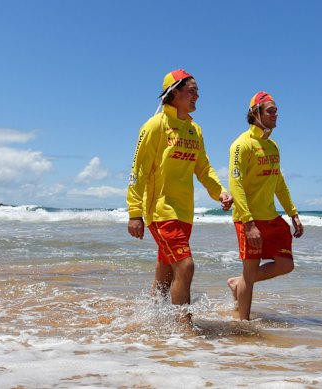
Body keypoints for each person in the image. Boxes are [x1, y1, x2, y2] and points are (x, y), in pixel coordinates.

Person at [127, 69, 233, 313]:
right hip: (161, 210)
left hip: (184, 211)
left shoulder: (195, 130)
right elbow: (137, 171)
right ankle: (182, 329)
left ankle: (152, 320)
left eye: (198, 91)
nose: (197, 96)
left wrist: (220, 192)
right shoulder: (154, 126)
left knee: (166, 272)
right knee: (185, 266)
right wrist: (135, 212)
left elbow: (203, 168)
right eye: (192, 90)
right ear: (174, 93)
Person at [227, 91, 304, 321]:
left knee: (286, 264)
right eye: (270, 110)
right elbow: (236, 184)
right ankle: (244, 325)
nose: (275, 114)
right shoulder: (241, 145)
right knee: (250, 274)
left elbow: (278, 182)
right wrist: (249, 223)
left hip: (270, 217)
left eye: (276, 110)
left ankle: (236, 283)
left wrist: (293, 214)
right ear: (255, 113)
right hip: (248, 218)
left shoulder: (273, 146)